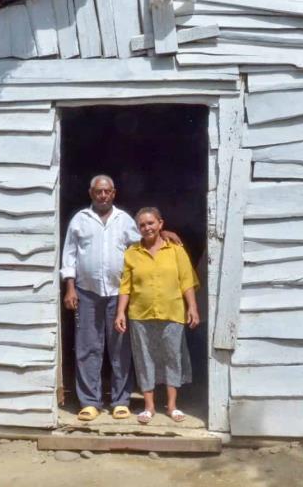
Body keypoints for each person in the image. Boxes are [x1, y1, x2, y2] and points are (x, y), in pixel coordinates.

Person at [61, 175, 180, 421]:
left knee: (120, 349)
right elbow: (69, 256)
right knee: (87, 347)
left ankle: (120, 400)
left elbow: (146, 240)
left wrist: (164, 231)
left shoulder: (124, 220)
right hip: (86, 292)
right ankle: (89, 401)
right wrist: (70, 288)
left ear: (114, 193)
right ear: (91, 192)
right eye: (98, 192)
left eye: (107, 192)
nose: (102, 196)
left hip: (119, 294)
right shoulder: (80, 220)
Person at [114, 207, 200, 424]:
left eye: (151, 223)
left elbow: (186, 281)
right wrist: (120, 313)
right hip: (140, 314)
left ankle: (171, 406)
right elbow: (126, 287)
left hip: (172, 312)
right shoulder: (132, 253)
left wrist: (193, 307)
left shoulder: (176, 250)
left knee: (172, 356)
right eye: (142, 225)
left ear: (161, 224)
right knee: (144, 358)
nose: (147, 228)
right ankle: (149, 406)